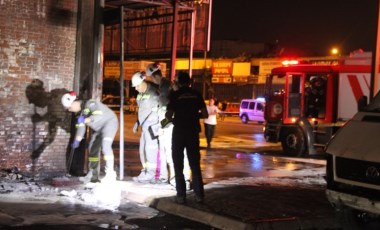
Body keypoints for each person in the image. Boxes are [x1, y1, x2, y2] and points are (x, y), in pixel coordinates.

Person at [145, 62, 191, 187]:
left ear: (154, 77)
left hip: (169, 125)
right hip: (171, 124)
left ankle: (179, 179)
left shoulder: (165, 87)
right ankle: (172, 178)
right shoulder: (164, 85)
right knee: (168, 152)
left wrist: (162, 126)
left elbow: (167, 111)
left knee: (172, 152)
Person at [166, 71, 208, 204]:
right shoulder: (197, 94)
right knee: (195, 164)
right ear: (189, 82)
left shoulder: (175, 95)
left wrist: (174, 118)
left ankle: (181, 196)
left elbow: (168, 115)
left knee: (178, 164)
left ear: (178, 82)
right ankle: (199, 196)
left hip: (179, 132)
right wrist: (194, 116)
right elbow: (205, 114)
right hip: (192, 132)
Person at [61, 91, 118, 183]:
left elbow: (98, 116)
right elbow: (81, 130)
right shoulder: (80, 114)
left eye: (70, 107)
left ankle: (110, 174)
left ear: (75, 102)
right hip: (99, 129)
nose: (69, 110)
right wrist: (76, 141)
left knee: (106, 146)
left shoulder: (90, 103)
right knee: (92, 147)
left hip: (109, 123)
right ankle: (93, 175)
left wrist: (85, 119)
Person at [131, 71, 161, 183]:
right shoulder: (140, 95)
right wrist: (137, 122)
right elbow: (141, 110)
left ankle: (151, 173)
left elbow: (158, 108)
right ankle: (146, 170)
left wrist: (149, 121)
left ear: (142, 82)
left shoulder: (153, 93)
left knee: (150, 149)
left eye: (137, 86)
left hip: (152, 126)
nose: (136, 88)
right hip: (144, 127)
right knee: (142, 149)